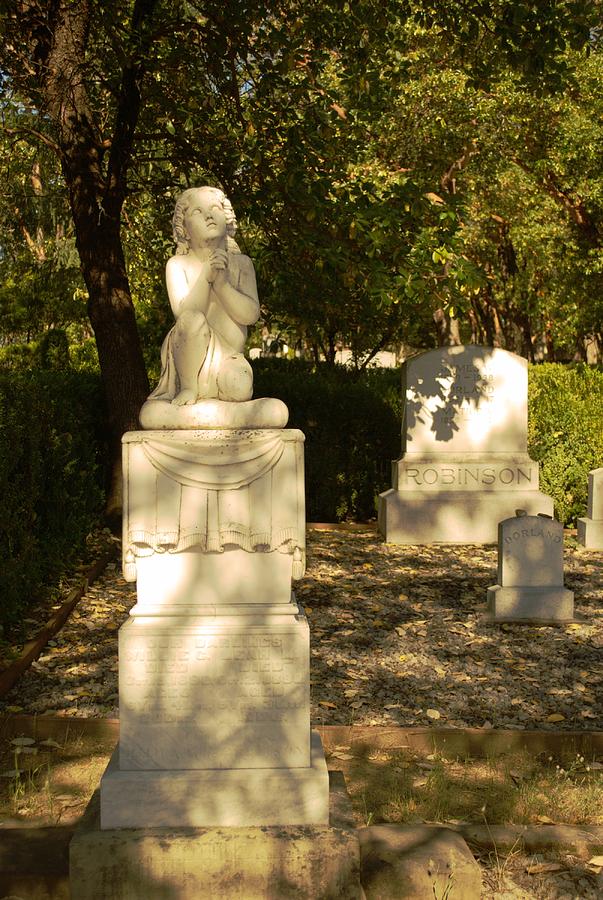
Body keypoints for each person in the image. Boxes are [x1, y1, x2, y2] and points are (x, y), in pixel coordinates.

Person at [149, 186, 260, 405]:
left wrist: (221, 286)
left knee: (261, 402)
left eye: (214, 208)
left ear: (227, 219)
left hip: (229, 360)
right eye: (197, 212)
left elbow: (250, 315)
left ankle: (204, 413)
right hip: (189, 361)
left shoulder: (242, 264)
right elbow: (185, 315)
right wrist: (205, 277)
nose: (208, 215)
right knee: (192, 319)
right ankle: (190, 388)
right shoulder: (177, 265)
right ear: (185, 230)